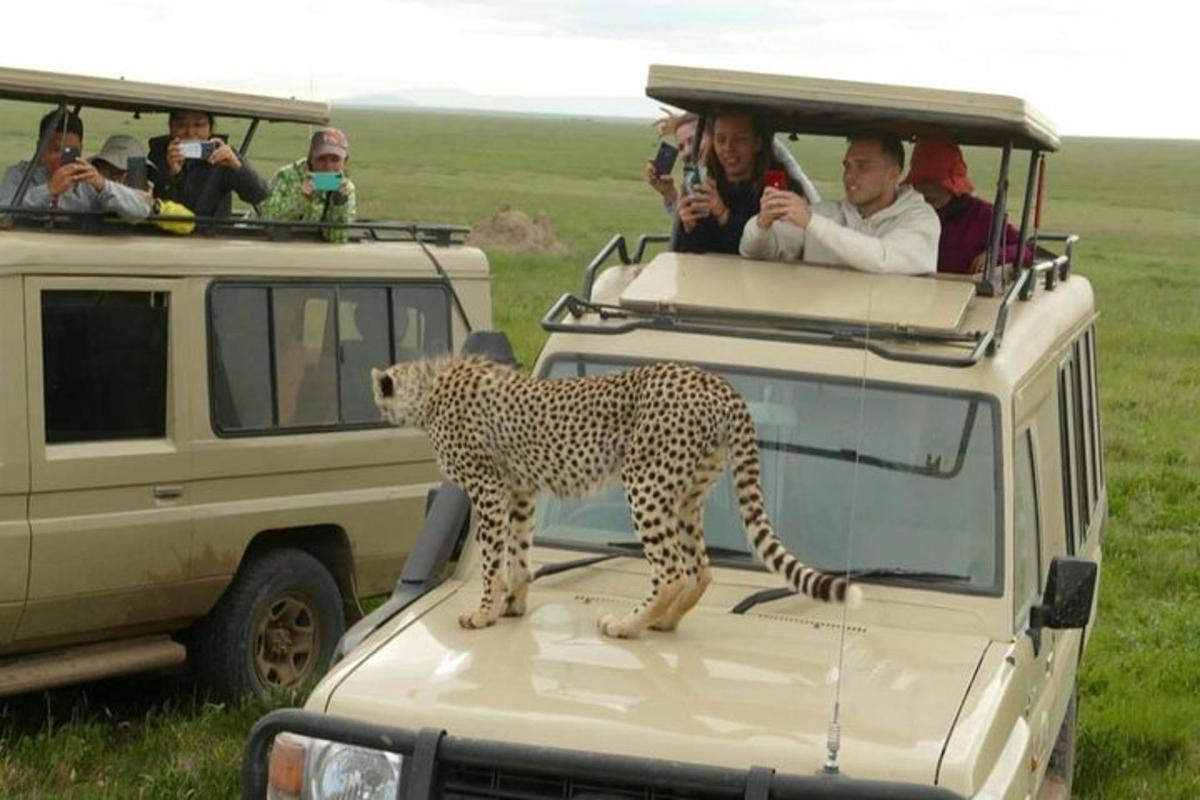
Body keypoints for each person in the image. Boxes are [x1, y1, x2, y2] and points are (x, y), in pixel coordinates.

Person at [740, 134, 939, 275]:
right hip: (817, 327)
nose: (849, 176)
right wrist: (762, 224)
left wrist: (811, 222)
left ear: (893, 173)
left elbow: (884, 260)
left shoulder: (921, 219)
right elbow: (754, 252)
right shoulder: (825, 213)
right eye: (847, 166)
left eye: (862, 166)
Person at [904, 138, 1032, 275]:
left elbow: (1024, 250)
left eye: (935, 183)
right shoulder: (903, 210)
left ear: (953, 183)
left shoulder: (981, 215)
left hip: (964, 292)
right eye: (922, 182)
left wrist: (994, 255)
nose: (927, 190)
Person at [0, 110, 153, 223]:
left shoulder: (87, 179)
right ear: (40, 148)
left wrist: (102, 185)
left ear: (80, 149)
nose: (61, 158)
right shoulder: (20, 174)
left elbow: (140, 211)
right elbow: (3, 214)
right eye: (56, 150)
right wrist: (48, 190)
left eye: (70, 151)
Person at [676, 111, 778, 254]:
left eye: (739, 140)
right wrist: (689, 226)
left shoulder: (774, 190)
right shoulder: (707, 186)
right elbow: (691, 253)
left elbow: (764, 252)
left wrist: (723, 213)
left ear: (757, 143)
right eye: (721, 140)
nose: (728, 148)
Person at [148, 109, 268, 218]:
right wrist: (171, 175)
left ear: (210, 129)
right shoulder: (158, 155)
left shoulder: (223, 155)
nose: (190, 132)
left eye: (199, 125)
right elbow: (147, 204)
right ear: (171, 128)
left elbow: (259, 195)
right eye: (181, 125)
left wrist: (238, 167)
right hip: (166, 236)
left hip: (213, 236)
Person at [259, 128, 357, 243]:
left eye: (335, 160)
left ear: (345, 162)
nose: (328, 166)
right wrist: (302, 200)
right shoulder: (287, 176)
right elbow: (267, 222)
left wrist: (339, 205)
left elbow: (337, 238)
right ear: (311, 158)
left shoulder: (346, 188)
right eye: (321, 159)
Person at [644, 111, 699, 216]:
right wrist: (669, 193)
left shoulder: (718, 182)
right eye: (681, 147)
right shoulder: (696, 179)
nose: (687, 151)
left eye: (692, 141)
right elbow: (690, 227)